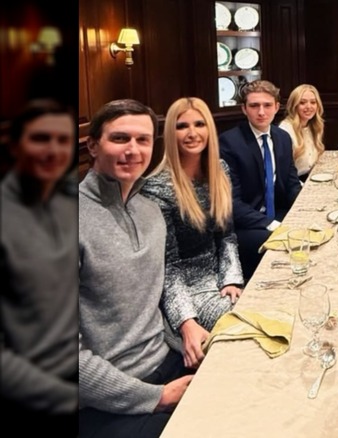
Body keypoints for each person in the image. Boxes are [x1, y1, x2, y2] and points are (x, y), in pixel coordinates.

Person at [79, 99, 193, 438]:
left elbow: (155, 296)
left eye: (143, 140)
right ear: (92, 145)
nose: (133, 150)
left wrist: (188, 328)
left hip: (167, 361)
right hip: (106, 396)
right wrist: (155, 397)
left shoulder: (150, 211)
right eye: (120, 138)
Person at [141, 97, 244, 370]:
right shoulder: (157, 188)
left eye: (199, 124)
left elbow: (227, 236)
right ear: (170, 133)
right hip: (184, 291)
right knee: (242, 334)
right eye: (182, 126)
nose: (192, 133)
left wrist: (232, 279)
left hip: (219, 279)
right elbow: (166, 267)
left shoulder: (220, 170)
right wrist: (187, 321)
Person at [1, 99, 78, 433]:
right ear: (14, 145)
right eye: (40, 139)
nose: (53, 150)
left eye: (63, 141)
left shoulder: (69, 202)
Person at [219, 80, 302, 281]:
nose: (261, 112)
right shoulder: (229, 142)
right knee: (287, 244)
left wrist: (306, 208)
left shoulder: (282, 137)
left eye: (267, 105)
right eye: (254, 106)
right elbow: (231, 203)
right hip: (246, 224)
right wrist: (271, 225)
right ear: (244, 109)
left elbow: (291, 184)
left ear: (276, 107)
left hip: (278, 214)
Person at [279, 84, 326, 180]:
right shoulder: (285, 130)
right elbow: (283, 172)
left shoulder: (313, 126)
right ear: (294, 105)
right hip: (294, 183)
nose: (309, 107)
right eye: (302, 102)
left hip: (311, 178)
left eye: (313, 102)